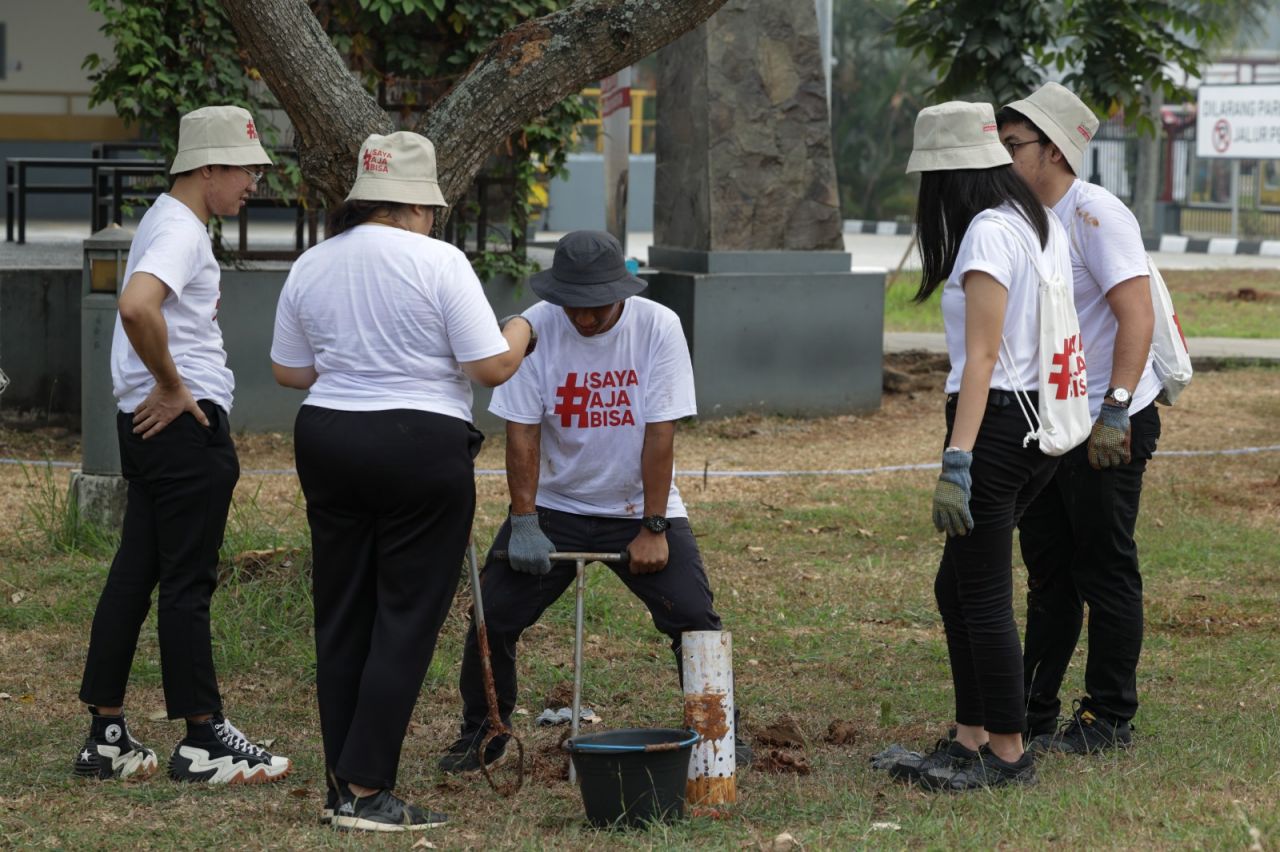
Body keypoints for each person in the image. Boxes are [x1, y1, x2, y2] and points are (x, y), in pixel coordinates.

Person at [271, 131, 533, 832]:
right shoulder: (439, 262)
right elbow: (490, 368)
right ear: (422, 206)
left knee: (344, 610)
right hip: (419, 441)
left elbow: (289, 372)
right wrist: (521, 330)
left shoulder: (313, 262)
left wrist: (353, 359)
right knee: (407, 614)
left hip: (327, 436)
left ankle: (341, 782)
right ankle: (364, 787)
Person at [435, 230, 748, 773]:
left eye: (596, 307)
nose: (582, 319)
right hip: (556, 508)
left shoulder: (657, 326)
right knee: (494, 616)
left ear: (621, 291)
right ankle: (484, 732)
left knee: (696, 620)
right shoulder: (533, 329)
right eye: (572, 306)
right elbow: (522, 432)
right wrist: (525, 520)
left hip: (639, 506)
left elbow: (660, 433)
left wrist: (653, 525)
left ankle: (716, 735)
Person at [75, 105, 291, 784]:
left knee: (136, 573)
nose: (254, 182)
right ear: (208, 168)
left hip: (144, 425)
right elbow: (136, 306)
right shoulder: (180, 229)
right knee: (187, 583)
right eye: (246, 168)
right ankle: (204, 738)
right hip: (180, 426)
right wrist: (174, 385)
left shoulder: (166, 223)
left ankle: (107, 733)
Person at [890, 101, 1069, 791]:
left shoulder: (989, 234)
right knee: (955, 584)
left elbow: (984, 356)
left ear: (950, 176)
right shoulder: (1029, 221)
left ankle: (1007, 751)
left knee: (984, 593)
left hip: (994, 429)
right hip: (1028, 428)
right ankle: (968, 738)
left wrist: (956, 460)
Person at [997, 83, 1160, 753]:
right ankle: (1033, 708)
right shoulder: (1023, 219)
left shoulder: (1095, 215)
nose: (1003, 160)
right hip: (1050, 422)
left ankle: (1109, 717)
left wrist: (1115, 413)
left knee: (1104, 566)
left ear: (1056, 150)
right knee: (1048, 573)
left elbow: (1137, 315)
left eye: (1013, 147)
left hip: (1105, 422)